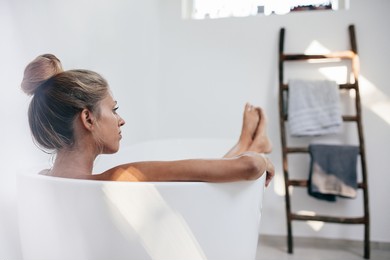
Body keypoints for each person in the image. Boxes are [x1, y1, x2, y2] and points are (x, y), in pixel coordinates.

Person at [21, 54, 274, 186]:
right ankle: (253, 145)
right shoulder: (122, 177)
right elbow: (248, 168)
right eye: (114, 109)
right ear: (88, 118)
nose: (121, 121)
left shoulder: (42, 178)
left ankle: (247, 142)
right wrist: (260, 159)